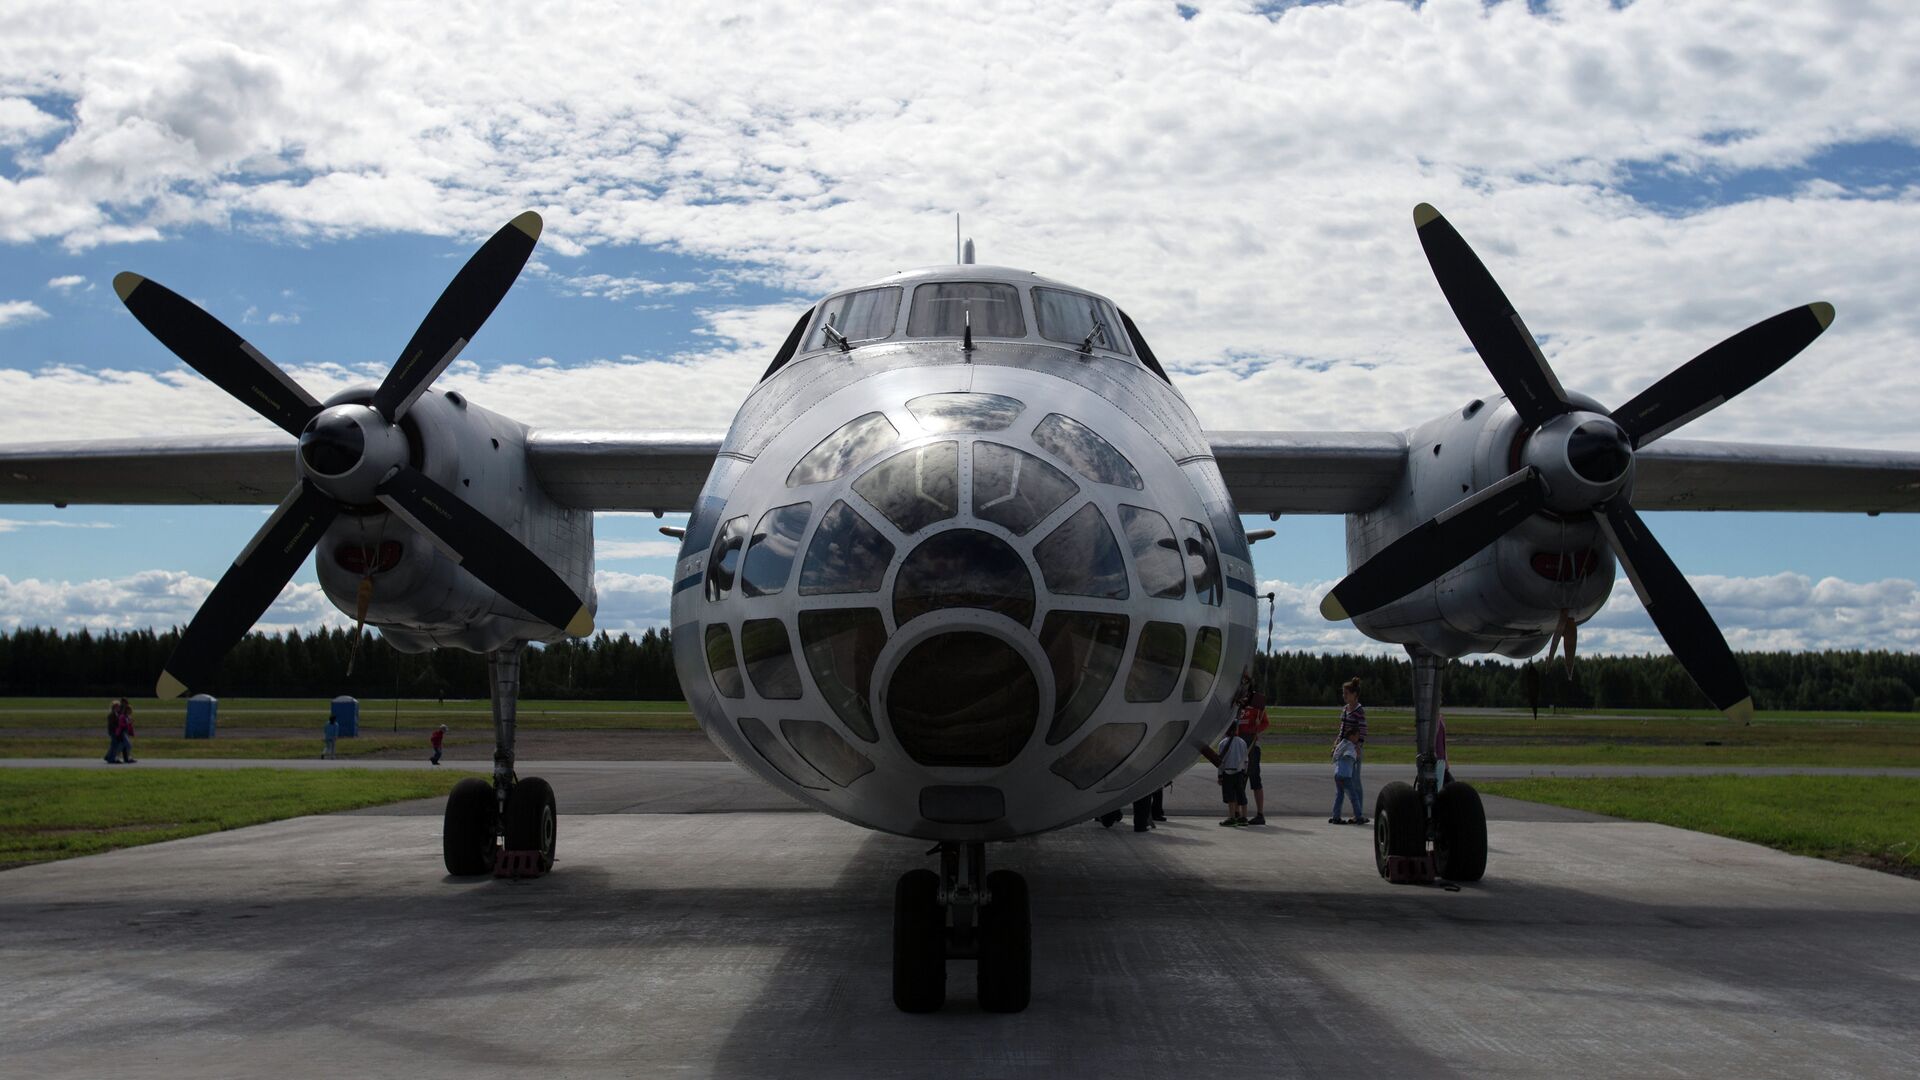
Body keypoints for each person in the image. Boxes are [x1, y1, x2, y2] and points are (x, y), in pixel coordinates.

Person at [1233, 671, 1271, 825]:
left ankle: (1260, 814)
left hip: (1251, 745)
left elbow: (1265, 722)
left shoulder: (1257, 704)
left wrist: (1257, 727)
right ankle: (1237, 812)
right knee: (1237, 779)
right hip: (1238, 744)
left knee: (1255, 779)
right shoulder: (1236, 702)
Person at [1331, 677, 1367, 824]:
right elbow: (1342, 729)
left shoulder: (1359, 710)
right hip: (1343, 748)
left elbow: (1363, 730)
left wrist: (1358, 746)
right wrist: (1336, 743)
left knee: (1355, 781)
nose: (1344, 696)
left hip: (1353, 750)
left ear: (1354, 694)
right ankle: (1344, 813)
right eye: (1343, 693)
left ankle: (1358, 813)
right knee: (1343, 778)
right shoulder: (1345, 710)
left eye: (1346, 693)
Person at [1201, 720, 1250, 827]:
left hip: (1228, 773)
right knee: (1241, 795)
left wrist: (1220, 775)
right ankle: (1244, 817)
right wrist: (1245, 772)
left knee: (1230, 796)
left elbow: (1220, 762)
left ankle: (1232, 817)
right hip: (1240, 773)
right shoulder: (1242, 742)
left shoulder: (1223, 743)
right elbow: (1246, 760)